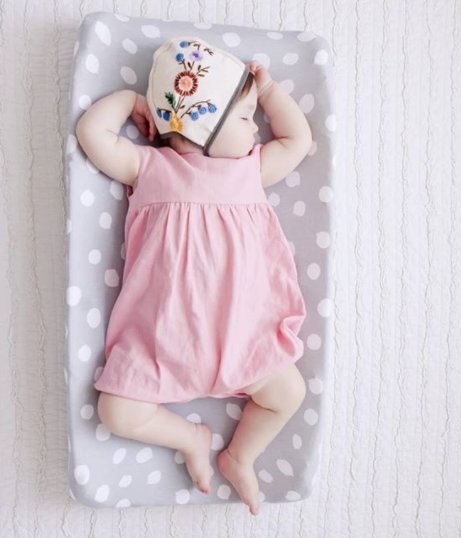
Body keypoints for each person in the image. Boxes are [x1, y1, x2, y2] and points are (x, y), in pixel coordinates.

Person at [75, 36, 313, 516]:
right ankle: (190, 437)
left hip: (243, 340)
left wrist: (268, 92)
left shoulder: (249, 170)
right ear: (202, 124)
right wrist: (133, 100)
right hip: (162, 344)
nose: (257, 129)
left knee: (289, 392)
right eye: (245, 118)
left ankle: (239, 455)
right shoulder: (148, 167)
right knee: (116, 411)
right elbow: (92, 132)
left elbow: (298, 141)